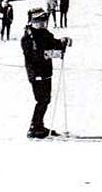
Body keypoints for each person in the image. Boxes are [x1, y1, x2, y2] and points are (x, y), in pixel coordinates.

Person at [21, 8, 71, 138]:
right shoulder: (28, 37)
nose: (43, 22)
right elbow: (33, 56)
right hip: (36, 72)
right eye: (39, 20)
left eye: (44, 20)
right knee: (41, 99)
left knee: (46, 99)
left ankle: (39, 125)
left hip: (46, 71)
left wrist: (62, 42)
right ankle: (34, 127)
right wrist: (53, 54)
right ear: (33, 21)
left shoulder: (44, 33)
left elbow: (53, 43)